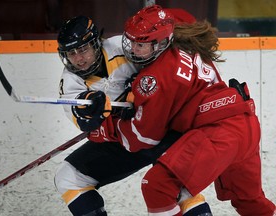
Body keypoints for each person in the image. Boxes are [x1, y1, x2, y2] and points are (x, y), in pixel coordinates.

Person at [90, 5, 276, 216]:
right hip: (246, 123)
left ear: (161, 43)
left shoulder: (154, 77)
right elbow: (180, 17)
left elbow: (143, 137)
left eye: (141, 44)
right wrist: (154, 16)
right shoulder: (187, 42)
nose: (133, 50)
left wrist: (103, 127)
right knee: (250, 201)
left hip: (220, 133)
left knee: (156, 187)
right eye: (131, 41)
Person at [54, 14, 212, 216]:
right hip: (124, 139)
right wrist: (88, 112)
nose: (78, 58)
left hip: (164, 130)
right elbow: (86, 123)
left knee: (172, 185)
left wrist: (140, 86)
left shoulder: (121, 48)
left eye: (83, 49)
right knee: (69, 176)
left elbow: (163, 67)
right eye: (71, 53)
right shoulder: (69, 82)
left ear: (95, 43)